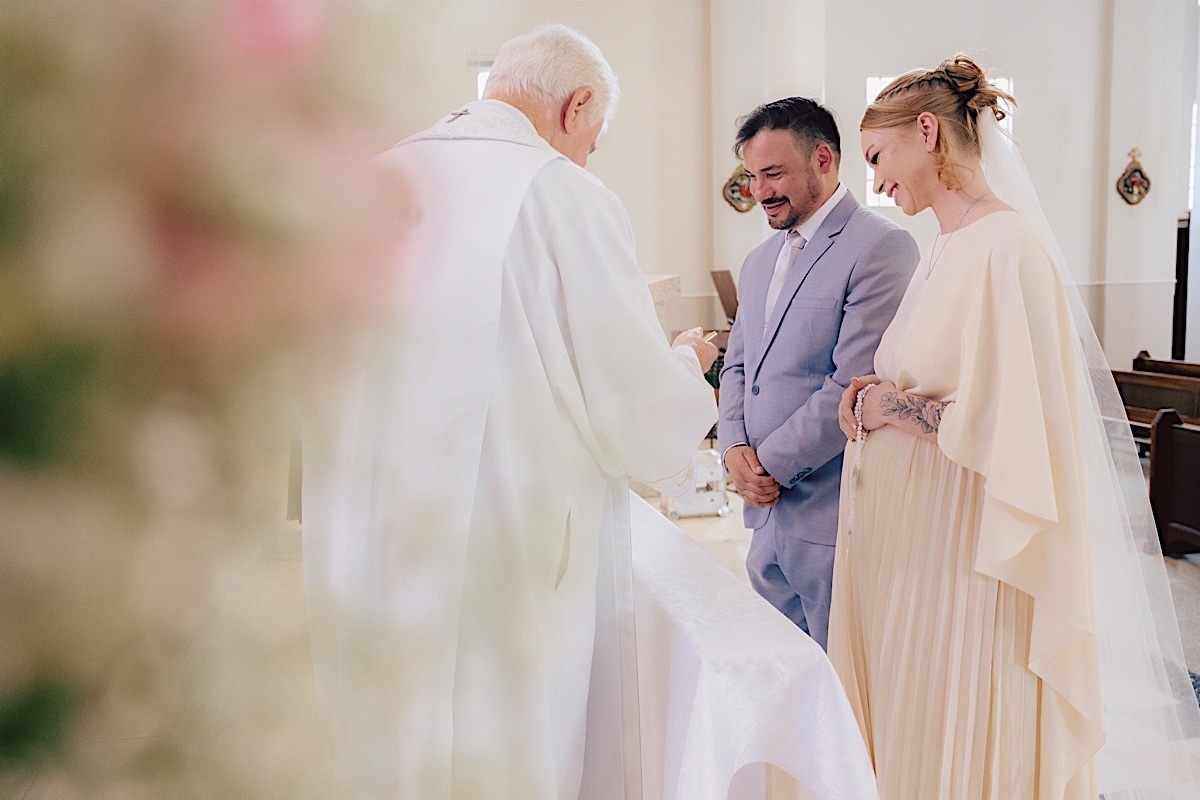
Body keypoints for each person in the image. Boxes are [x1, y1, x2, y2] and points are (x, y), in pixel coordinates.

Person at [300, 24, 718, 800]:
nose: (588, 157)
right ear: (578, 104)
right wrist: (688, 363)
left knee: (391, 736)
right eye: (592, 140)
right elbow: (630, 401)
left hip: (373, 530)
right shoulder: (562, 194)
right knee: (502, 745)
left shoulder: (376, 180)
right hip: (506, 544)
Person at [829, 55, 1200, 799]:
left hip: (963, 554)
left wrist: (889, 409)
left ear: (927, 130)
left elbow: (1017, 424)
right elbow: (942, 378)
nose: (875, 182)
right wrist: (875, 391)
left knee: (959, 728)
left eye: (878, 158)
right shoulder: (946, 243)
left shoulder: (1008, 246)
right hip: (910, 549)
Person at [717, 98, 918, 649]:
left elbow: (850, 381)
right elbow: (737, 365)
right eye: (753, 176)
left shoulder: (881, 246)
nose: (760, 191)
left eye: (774, 173)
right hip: (765, 514)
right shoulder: (759, 261)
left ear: (823, 159)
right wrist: (733, 448)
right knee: (782, 678)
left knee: (841, 686)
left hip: (833, 513)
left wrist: (770, 466)